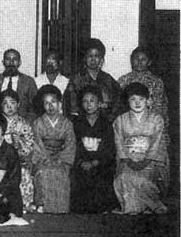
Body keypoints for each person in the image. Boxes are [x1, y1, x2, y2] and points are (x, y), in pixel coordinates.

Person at [113, 82, 169, 214]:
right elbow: (119, 143)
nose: (137, 103)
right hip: (128, 160)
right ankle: (136, 208)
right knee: (124, 177)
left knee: (143, 178)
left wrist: (146, 160)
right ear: (127, 101)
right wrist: (128, 160)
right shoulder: (120, 120)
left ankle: (149, 206)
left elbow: (157, 143)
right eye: (133, 99)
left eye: (141, 99)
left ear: (148, 100)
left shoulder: (157, 119)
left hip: (151, 160)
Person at [70, 85, 118, 214]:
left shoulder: (106, 124)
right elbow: (73, 146)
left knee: (102, 179)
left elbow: (110, 150)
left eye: (92, 101)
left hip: (100, 164)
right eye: (85, 101)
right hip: (81, 163)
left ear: (100, 104)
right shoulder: (76, 123)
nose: (88, 104)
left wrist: (95, 162)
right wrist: (80, 162)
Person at [31, 85, 76, 213]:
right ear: (42, 105)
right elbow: (37, 145)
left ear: (60, 103)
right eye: (46, 103)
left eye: (53, 102)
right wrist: (46, 159)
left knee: (61, 174)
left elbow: (70, 145)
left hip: (61, 160)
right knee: (43, 173)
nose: (50, 106)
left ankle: (61, 210)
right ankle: (43, 209)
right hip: (43, 160)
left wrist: (61, 159)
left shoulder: (67, 124)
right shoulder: (38, 123)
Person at [66, 38, 122, 121]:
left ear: (101, 59)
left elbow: (118, 101)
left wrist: (110, 115)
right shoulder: (76, 79)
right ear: (84, 58)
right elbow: (71, 104)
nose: (93, 59)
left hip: (106, 122)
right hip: (82, 122)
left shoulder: (108, 79)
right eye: (90, 56)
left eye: (96, 56)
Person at [0, 91, 36, 211]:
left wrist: (18, 143)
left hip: (19, 160)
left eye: (13, 103)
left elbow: (29, 147)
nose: (9, 107)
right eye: (5, 103)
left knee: (23, 171)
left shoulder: (24, 123)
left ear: (18, 104)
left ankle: (24, 205)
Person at [117, 47, 169, 125]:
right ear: (131, 61)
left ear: (149, 62)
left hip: (150, 124)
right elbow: (118, 105)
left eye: (143, 59)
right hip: (128, 124)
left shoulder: (156, 82)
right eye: (136, 59)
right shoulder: (123, 81)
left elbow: (160, 108)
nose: (139, 62)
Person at [0, 49, 38, 121]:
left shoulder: (28, 82)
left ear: (19, 63)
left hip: (22, 123)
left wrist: (26, 122)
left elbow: (35, 107)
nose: (11, 63)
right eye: (8, 59)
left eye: (15, 59)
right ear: (3, 62)